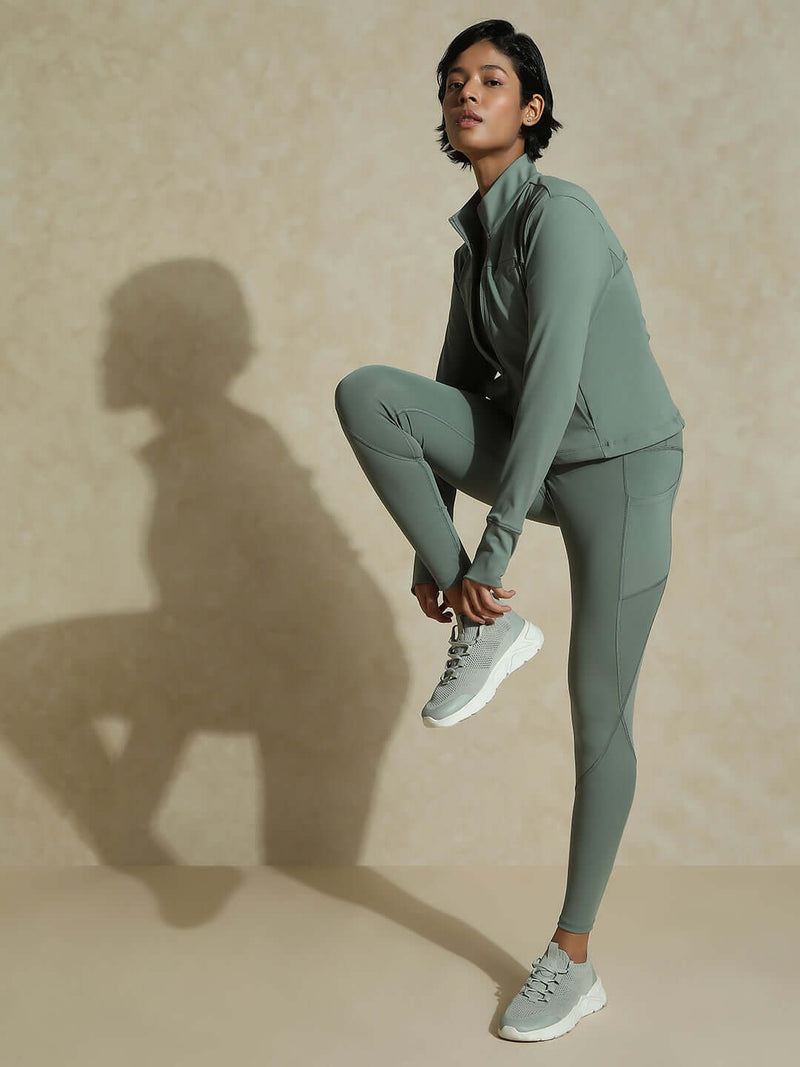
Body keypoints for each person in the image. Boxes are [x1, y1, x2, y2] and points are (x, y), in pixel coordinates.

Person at [334, 19, 685, 1042]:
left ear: (531, 109)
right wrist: (432, 558)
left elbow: (551, 392)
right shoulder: (475, 243)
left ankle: (572, 957)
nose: (465, 93)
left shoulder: (561, 217)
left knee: (596, 709)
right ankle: (482, 627)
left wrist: (488, 560)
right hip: (542, 460)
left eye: (489, 80)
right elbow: (450, 392)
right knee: (369, 394)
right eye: (453, 81)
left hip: (620, 469)